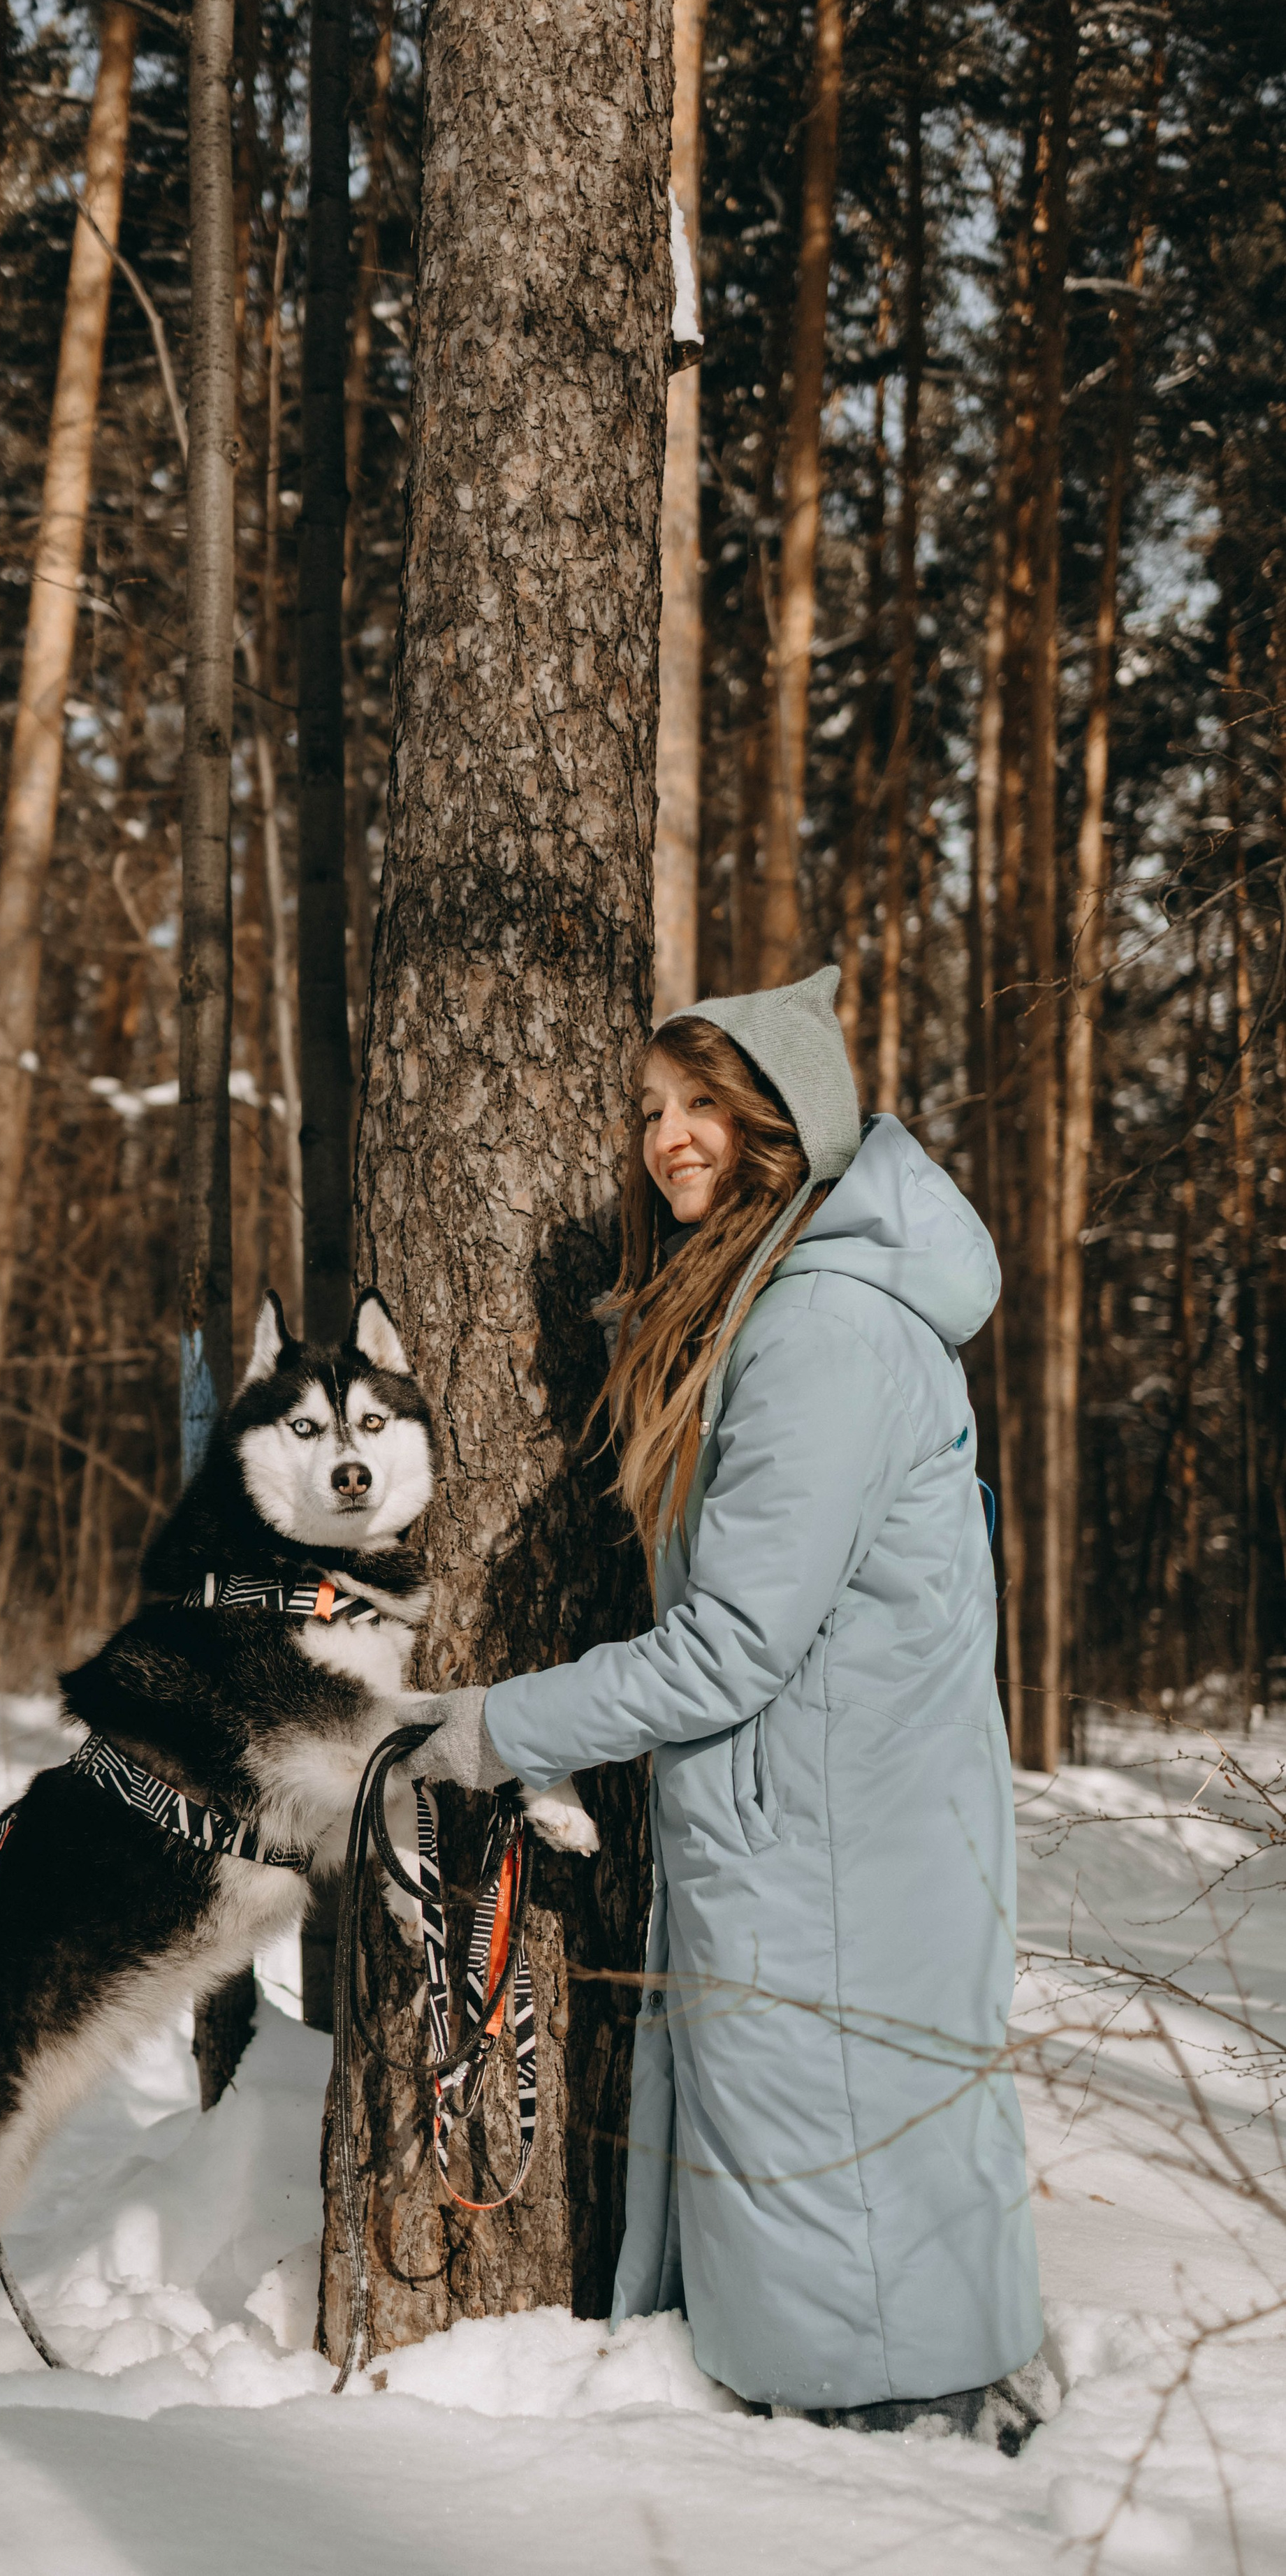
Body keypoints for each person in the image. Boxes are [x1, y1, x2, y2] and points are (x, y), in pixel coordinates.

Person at [414, 967, 1051, 2449]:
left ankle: (901, 2459)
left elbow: (730, 1646)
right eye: (649, 1108)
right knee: (852, 2145)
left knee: (846, 2161)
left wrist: (493, 1727)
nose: (667, 1137)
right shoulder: (776, 1304)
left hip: (837, 1829)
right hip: (839, 1811)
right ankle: (888, 2423)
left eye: (703, 1103)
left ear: (783, 1124)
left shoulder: (820, 1331)